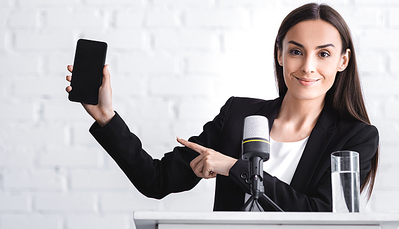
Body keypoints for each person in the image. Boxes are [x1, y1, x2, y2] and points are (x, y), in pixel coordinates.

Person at [65, 3, 379, 212]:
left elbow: (324, 215)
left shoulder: (355, 137)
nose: (308, 66)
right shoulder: (238, 116)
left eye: (323, 54)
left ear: (343, 61)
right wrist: (106, 117)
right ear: (280, 54)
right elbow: (155, 180)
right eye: (296, 51)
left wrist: (233, 167)